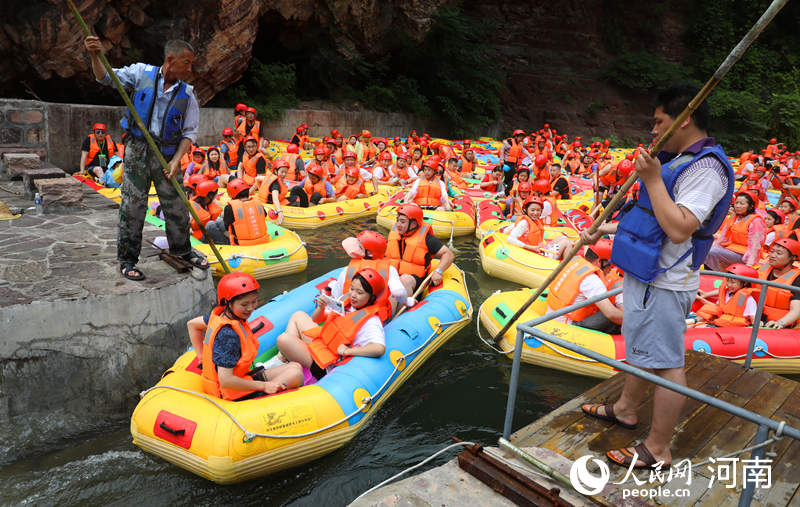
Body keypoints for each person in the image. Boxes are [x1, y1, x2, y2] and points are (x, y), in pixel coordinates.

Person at [580, 83, 734, 469]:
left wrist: (650, 178)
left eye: (660, 121)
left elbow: (680, 227)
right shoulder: (677, 159)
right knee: (639, 346)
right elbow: (651, 220)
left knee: (666, 363)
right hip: (646, 274)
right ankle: (626, 408)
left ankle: (658, 449)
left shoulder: (706, 168)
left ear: (682, 121)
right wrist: (605, 231)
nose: (654, 130)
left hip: (666, 281)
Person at [85, 36, 206, 281]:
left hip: (167, 155)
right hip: (137, 150)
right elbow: (105, 77)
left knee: (177, 205)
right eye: (187, 62)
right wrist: (95, 55)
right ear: (170, 60)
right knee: (133, 206)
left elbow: (189, 133)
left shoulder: (188, 95)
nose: (190, 68)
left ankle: (182, 250)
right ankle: (127, 259)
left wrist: (176, 160)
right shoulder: (141, 74)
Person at [187, 272, 303, 400]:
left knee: (295, 367)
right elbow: (226, 380)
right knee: (295, 375)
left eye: (254, 302)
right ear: (228, 303)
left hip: (239, 379)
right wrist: (263, 386)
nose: (250, 308)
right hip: (229, 393)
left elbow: (192, 325)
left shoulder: (219, 317)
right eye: (244, 304)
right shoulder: (228, 336)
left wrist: (201, 356)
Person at [273, 268, 388, 381]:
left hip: (326, 364)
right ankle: (283, 359)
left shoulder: (371, 321)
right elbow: (316, 319)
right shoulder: (345, 302)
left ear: (371, 297)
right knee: (298, 315)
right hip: (322, 343)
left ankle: (286, 360)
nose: (353, 295)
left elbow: (379, 348)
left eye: (359, 292)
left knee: (283, 339)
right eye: (352, 289)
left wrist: (348, 351)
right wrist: (321, 308)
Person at [545, 239, 624, 333]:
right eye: (609, 265)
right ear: (600, 261)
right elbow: (612, 315)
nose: (610, 269)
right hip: (566, 326)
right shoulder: (592, 280)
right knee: (615, 316)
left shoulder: (575, 262)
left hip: (553, 314)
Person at [336, 230, 414, 319]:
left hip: (349, 312)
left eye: (360, 246)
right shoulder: (390, 270)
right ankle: (399, 319)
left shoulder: (348, 269)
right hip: (376, 317)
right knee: (406, 281)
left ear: (369, 253)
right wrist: (406, 301)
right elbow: (399, 293)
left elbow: (337, 294)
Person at [386, 203, 455, 296]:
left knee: (405, 279)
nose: (398, 224)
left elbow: (448, 254)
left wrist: (438, 271)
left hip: (414, 280)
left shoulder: (427, 239)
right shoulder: (395, 235)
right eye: (397, 220)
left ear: (414, 223)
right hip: (394, 277)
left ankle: (404, 307)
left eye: (402, 222)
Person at [705, 190, 765, 270]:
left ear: (751, 206)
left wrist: (749, 265)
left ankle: (716, 272)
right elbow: (723, 236)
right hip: (733, 250)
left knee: (711, 251)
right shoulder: (734, 216)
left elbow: (755, 246)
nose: (737, 206)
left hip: (745, 256)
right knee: (707, 247)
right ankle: (716, 269)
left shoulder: (756, 221)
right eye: (736, 203)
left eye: (742, 204)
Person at [204, 178, 271, 246]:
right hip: (263, 239)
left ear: (232, 194)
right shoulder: (258, 203)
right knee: (219, 221)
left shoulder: (230, 208)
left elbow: (227, 226)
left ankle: (222, 243)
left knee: (210, 225)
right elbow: (263, 216)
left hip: (241, 243)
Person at [506, 196, 571, 259]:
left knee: (563, 237)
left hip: (539, 249)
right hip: (534, 254)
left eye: (538, 210)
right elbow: (510, 239)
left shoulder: (534, 221)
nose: (535, 213)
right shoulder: (524, 223)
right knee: (566, 242)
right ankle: (565, 266)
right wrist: (530, 247)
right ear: (526, 210)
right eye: (532, 210)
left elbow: (508, 229)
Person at [757, 238, 800, 329]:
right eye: (772, 251)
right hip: (756, 319)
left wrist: (780, 323)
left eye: (779, 253)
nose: (772, 255)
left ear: (793, 257)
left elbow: (796, 310)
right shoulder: (762, 270)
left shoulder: (797, 279)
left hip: (781, 325)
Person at [255, 159, 288, 225]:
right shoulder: (276, 184)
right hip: (270, 203)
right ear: (276, 171)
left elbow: (257, 178)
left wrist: (259, 189)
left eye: (285, 172)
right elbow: (275, 199)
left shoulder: (270, 177)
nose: (284, 174)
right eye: (282, 172)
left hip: (264, 200)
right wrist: (280, 212)